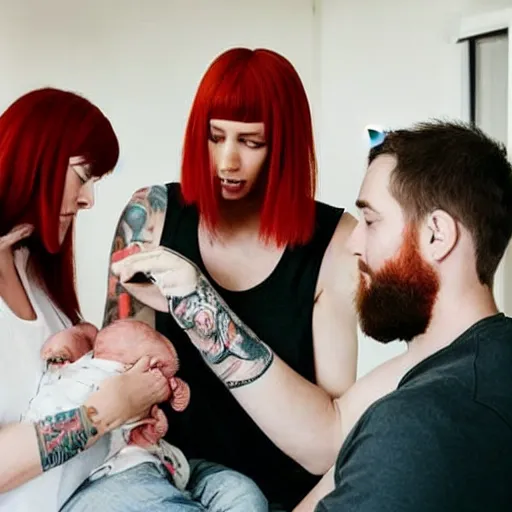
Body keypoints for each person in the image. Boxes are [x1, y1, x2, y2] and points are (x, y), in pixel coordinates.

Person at [113, 119, 512, 512]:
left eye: (370, 221)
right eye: (216, 137)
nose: (354, 242)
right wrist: (198, 302)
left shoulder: (409, 428)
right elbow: (330, 433)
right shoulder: (479, 360)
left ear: (436, 235)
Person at [102, 47, 359, 510]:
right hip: (163, 485)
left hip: (282, 498)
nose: (227, 161)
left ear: (285, 146)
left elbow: (332, 436)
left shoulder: (339, 243)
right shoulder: (151, 216)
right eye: (215, 137)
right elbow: (112, 368)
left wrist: (196, 302)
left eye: (251, 142)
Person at [0, 88, 170, 512]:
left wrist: (133, 415)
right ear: (35, 160)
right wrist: (104, 412)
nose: (88, 199)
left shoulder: (32, 267)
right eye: (82, 175)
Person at [33, 319, 269, 512]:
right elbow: (68, 341)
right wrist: (66, 345)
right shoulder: (84, 371)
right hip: (112, 476)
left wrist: (171, 396)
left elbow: (169, 414)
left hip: (164, 464)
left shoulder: (141, 378)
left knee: (241, 491)